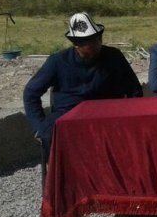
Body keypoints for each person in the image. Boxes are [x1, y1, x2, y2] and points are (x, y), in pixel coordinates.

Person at [23, 12, 143, 159]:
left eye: (98, 39)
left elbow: (134, 88)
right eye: (90, 42)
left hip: (106, 110)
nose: (97, 44)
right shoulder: (58, 61)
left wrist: (131, 113)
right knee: (49, 132)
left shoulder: (113, 56)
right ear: (77, 45)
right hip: (69, 113)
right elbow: (31, 93)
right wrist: (37, 126)